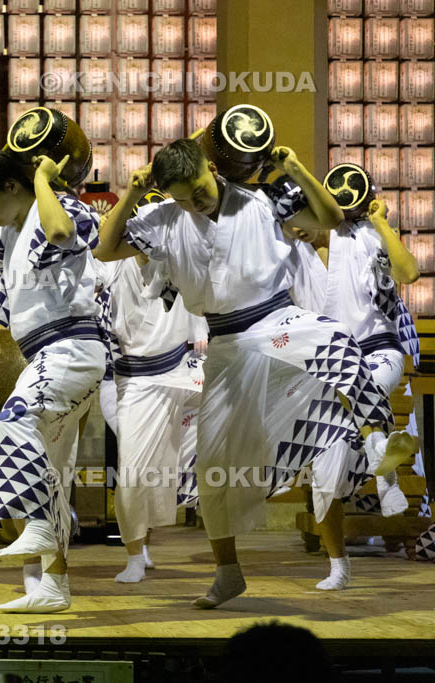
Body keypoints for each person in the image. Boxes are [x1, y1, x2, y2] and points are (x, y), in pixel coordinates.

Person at [96, 138, 396, 609]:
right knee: (213, 466)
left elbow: (331, 220)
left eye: (198, 190)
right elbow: (105, 250)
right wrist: (133, 196)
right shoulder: (165, 220)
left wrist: (295, 166)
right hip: (227, 345)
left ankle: (379, 443)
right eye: (182, 198)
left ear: (211, 169)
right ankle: (228, 572)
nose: (194, 203)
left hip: (277, 321)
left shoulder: (264, 197)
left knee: (335, 341)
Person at [0, 151, 105, 613]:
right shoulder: (7, 231)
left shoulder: (63, 209)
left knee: (14, 419)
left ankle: (37, 523)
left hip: (72, 346)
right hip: (43, 354)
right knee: (52, 473)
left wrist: (41, 176)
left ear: (13, 190)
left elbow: (61, 233)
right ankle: (53, 587)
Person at [290, 187, 420, 590]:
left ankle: (384, 466)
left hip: (379, 353)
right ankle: (339, 565)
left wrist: (381, 221)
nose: (304, 224)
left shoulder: (364, 237)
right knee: (325, 468)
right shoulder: (292, 254)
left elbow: (409, 273)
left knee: (357, 377)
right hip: (326, 367)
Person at [94, 246, 206, 583]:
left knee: (174, 463)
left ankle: (147, 545)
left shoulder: (179, 259)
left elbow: (201, 299)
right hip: (129, 381)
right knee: (133, 468)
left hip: (181, 371)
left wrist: (200, 332)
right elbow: (86, 276)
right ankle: (134, 553)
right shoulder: (112, 264)